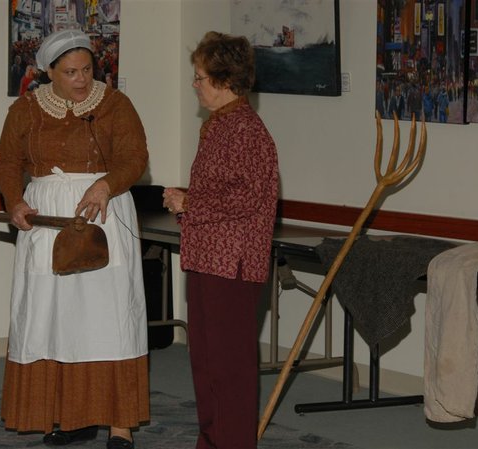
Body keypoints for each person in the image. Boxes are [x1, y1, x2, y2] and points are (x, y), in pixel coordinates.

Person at [0, 29, 149, 449]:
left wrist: (106, 185)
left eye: (86, 70)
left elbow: (135, 157)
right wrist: (15, 203)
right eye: (70, 72)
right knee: (53, 316)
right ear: (49, 73)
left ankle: (120, 424)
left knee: (107, 317)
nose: (81, 79)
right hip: (46, 219)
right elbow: (7, 160)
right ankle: (67, 415)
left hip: (103, 215)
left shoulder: (116, 104)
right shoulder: (25, 109)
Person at [162, 31, 279, 449]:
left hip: (233, 263)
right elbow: (226, 191)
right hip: (208, 257)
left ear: (224, 80)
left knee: (230, 369)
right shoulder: (221, 126)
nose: (194, 85)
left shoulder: (246, 130)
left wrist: (190, 202)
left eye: (199, 77)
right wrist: (189, 201)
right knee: (206, 364)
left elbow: (248, 196)